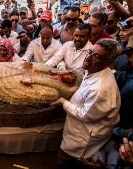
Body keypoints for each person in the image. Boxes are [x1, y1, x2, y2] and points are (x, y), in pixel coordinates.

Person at [52, 39, 122, 169]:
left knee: (65, 161)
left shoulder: (101, 88)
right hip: (77, 130)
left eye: (96, 56)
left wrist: (63, 102)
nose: (88, 57)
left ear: (108, 62)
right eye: (90, 52)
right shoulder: (94, 70)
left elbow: (85, 115)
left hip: (82, 138)